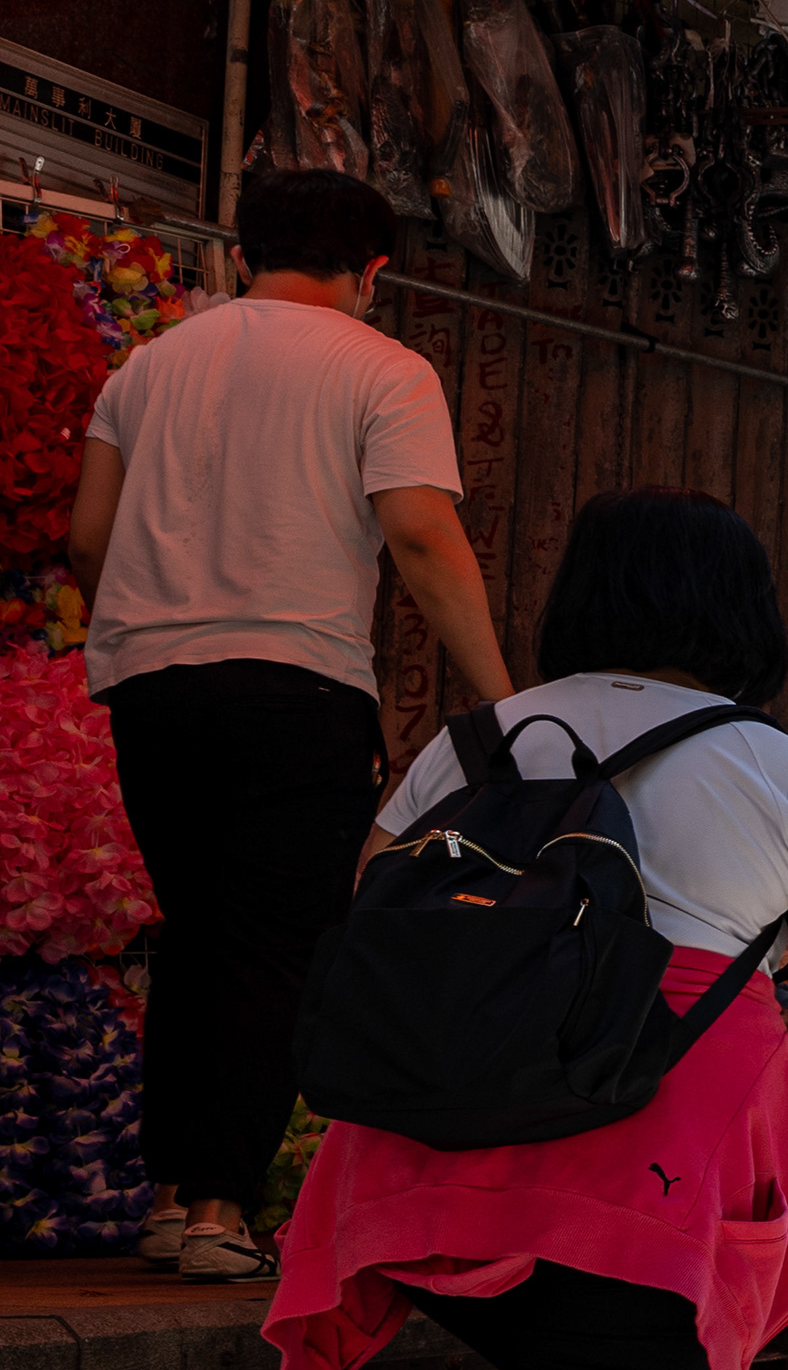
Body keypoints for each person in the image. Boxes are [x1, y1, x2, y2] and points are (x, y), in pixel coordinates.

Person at [266, 489, 788, 1370]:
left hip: (431, 1163)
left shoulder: (473, 743)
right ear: (744, 613)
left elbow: (373, 905)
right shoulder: (783, 770)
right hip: (636, 1181)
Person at [64, 168, 512, 1282]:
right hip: (297, 685)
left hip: (150, 684)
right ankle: (222, 1211)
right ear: (371, 272)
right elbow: (419, 537)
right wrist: (503, 697)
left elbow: (87, 537)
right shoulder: (384, 367)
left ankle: (170, 1198)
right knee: (273, 947)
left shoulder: (148, 365)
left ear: (243, 255)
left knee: (198, 931)